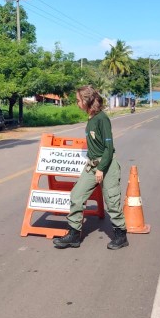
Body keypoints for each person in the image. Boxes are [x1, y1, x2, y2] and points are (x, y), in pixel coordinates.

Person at [53, 85, 129, 250]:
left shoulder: (102, 119)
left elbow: (109, 148)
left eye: (78, 100)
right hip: (92, 164)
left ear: (87, 100)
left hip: (106, 164)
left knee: (112, 201)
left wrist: (101, 168)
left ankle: (121, 235)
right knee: (77, 195)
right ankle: (74, 234)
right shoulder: (91, 118)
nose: (77, 103)